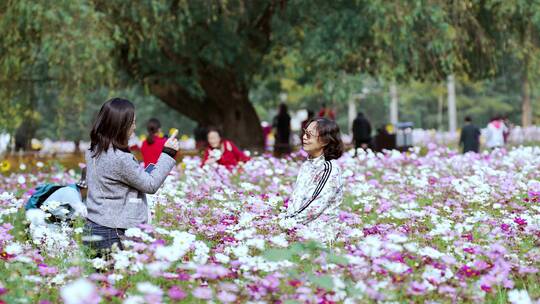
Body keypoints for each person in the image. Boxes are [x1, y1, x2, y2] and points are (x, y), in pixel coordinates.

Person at [84, 98, 180, 251]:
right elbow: (150, 185)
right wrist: (168, 153)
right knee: (120, 274)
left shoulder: (93, 150)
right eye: (132, 123)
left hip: (94, 225)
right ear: (120, 125)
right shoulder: (120, 158)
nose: (135, 127)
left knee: (100, 274)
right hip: (115, 232)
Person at [286, 118, 344, 232]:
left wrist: (285, 223)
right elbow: (297, 201)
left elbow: (314, 207)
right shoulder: (306, 165)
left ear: (325, 141)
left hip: (318, 236)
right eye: (304, 133)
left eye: (309, 135)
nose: (304, 137)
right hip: (298, 230)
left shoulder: (329, 169)